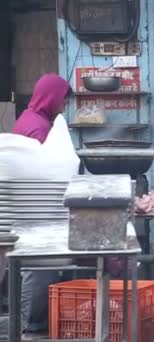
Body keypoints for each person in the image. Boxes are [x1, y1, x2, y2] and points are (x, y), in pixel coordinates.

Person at [11, 73, 71, 336]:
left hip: (29, 202)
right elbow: (44, 168)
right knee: (39, 266)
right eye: (63, 100)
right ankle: (30, 326)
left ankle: (33, 322)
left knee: (35, 266)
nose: (64, 106)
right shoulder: (37, 127)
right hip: (35, 205)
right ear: (52, 98)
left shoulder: (32, 118)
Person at [13, 73, 72, 143]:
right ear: (52, 99)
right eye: (64, 104)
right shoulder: (40, 130)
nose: (63, 110)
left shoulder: (25, 117)